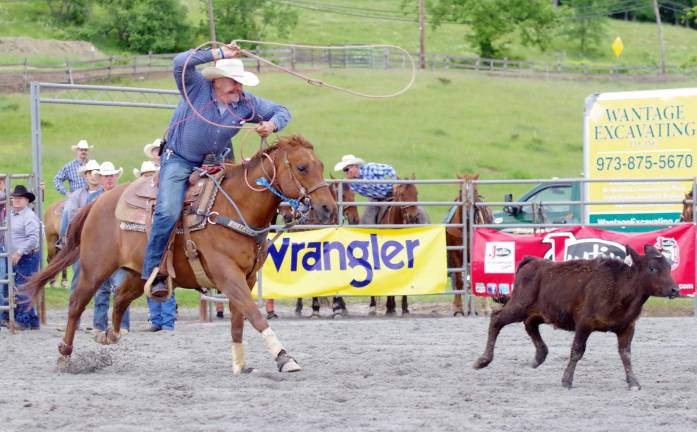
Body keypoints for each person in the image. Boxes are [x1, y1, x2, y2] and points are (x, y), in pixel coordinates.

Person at [142, 42, 292, 299]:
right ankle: (155, 271)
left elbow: (283, 111)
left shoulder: (246, 103)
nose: (239, 87)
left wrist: (271, 124)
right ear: (217, 81)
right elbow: (180, 62)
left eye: (240, 82)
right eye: (233, 81)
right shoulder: (196, 88)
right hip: (179, 159)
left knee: (239, 203)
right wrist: (219, 53)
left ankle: (228, 262)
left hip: (216, 162)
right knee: (167, 211)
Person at [0, 185, 40, 330]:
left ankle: (22, 321)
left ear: (26, 200)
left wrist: (19, 252)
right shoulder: (10, 213)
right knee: (17, 287)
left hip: (27, 256)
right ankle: (32, 321)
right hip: (15, 255)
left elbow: (34, 239)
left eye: (20, 198)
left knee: (23, 288)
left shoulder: (29, 216)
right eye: (14, 198)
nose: (16, 200)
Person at [59, 159, 102, 245]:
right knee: (66, 210)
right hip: (80, 229)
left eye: (96, 173)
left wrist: (82, 210)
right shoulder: (78, 194)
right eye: (90, 173)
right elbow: (71, 212)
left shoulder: (105, 193)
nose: (93, 176)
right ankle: (63, 239)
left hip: (100, 230)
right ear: (85, 176)